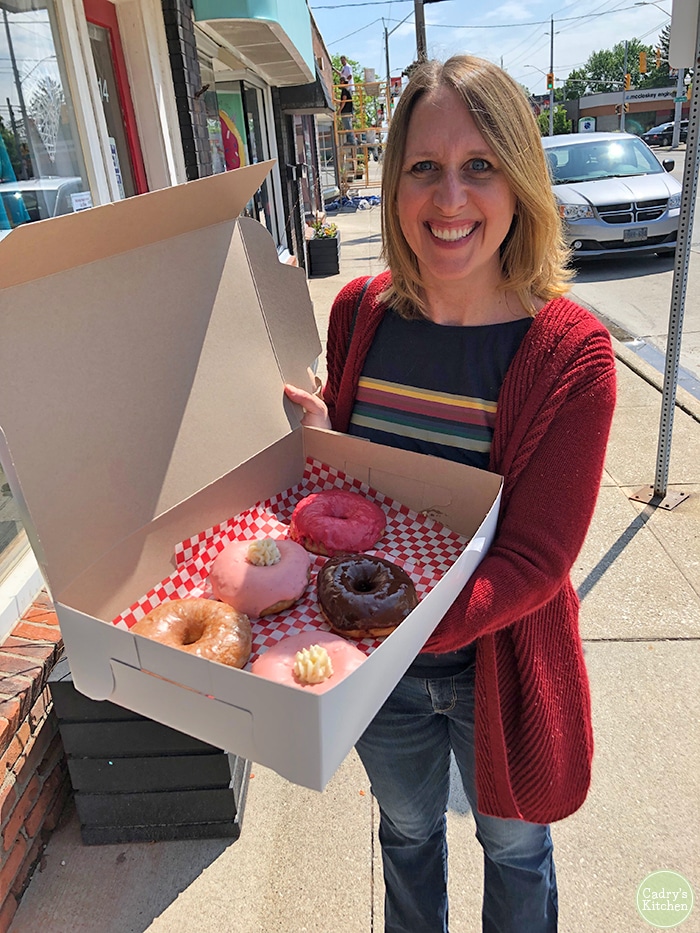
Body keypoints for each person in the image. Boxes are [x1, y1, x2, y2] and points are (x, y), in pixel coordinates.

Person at [285, 54, 616, 933]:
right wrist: (322, 437)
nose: (450, 197)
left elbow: (536, 558)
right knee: (405, 831)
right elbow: (362, 493)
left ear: (521, 181)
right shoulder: (359, 314)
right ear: (394, 183)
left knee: (515, 850)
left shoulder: (569, 354)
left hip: (498, 668)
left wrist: (393, 632)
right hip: (379, 676)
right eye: (424, 166)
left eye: (480, 166)